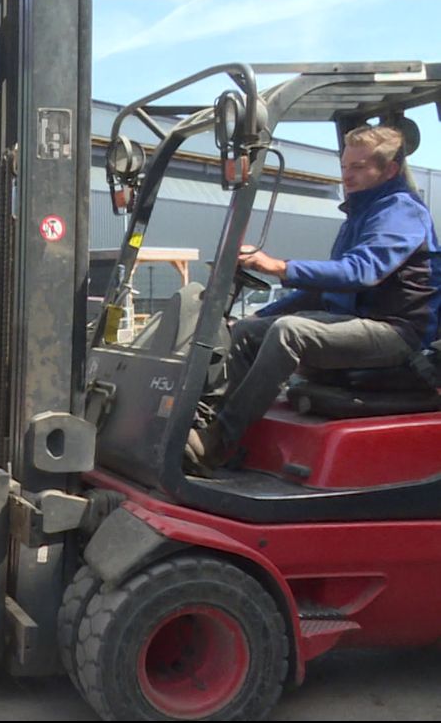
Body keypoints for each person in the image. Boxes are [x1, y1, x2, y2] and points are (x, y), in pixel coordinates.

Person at [185, 124, 441, 473]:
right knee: (248, 330)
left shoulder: (401, 211)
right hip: (360, 324)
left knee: (290, 332)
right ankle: (219, 430)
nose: (347, 176)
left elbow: (360, 272)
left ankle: (216, 444)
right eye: (345, 167)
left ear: (390, 170)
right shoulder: (361, 212)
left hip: (397, 333)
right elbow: (326, 291)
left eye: (359, 167)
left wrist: (279, 267)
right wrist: (258, 317)